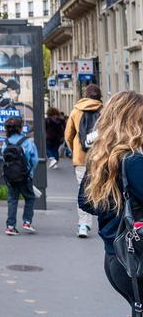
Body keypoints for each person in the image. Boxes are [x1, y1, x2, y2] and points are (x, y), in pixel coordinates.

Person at [79, 90, 143, 311]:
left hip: (115, 257)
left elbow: (86, 202)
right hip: (137, 258)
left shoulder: (101, 158)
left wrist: (119, 203)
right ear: (134, 123)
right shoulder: (133, 162)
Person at [66, 83, 104, 237]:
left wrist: (74, 150)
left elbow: (68, 135)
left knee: (83, 191)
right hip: (100, 157)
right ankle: (104, 222)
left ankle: (83, 225)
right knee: (102, 189)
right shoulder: (105, 110)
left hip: (81, 159)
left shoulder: (76, 111)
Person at [1, 116, 37, 235]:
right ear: (21, 128)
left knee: (12, 200)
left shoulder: (6, 142)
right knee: (30, 198)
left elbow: (3, 157)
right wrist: (30, 172)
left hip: (10, 176)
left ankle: (10, 226)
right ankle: (27, 222)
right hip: (24, 175)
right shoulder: (27, 142)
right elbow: (34, 160)